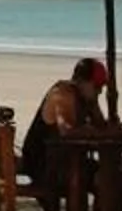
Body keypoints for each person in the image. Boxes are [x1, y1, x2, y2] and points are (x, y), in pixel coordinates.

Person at [22, 56, 110, 191]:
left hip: (68, 162)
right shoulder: (63, 93)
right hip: (44, 165)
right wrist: (97, 131)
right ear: (81, 81)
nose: (100, 91)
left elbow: (101, 126)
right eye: (96, 86)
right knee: (106, 179)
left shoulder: (87, 99)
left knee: (116, 177)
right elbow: (67, 131)